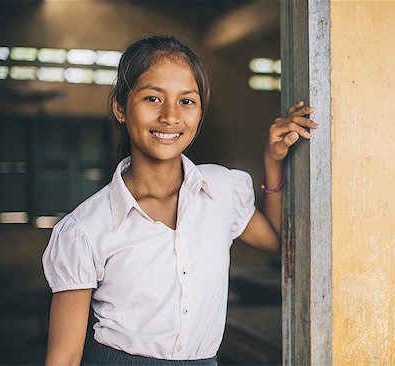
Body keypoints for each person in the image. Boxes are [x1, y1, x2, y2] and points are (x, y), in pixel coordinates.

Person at [42, 35, 317, 366]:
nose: (170, 116)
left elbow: (279, 243)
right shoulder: (86, 229)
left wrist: (273, 161)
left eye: (187, 101)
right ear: (120, 107)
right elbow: (65, 358)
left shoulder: (221, 190)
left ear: (200, 112)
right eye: (153, 98)